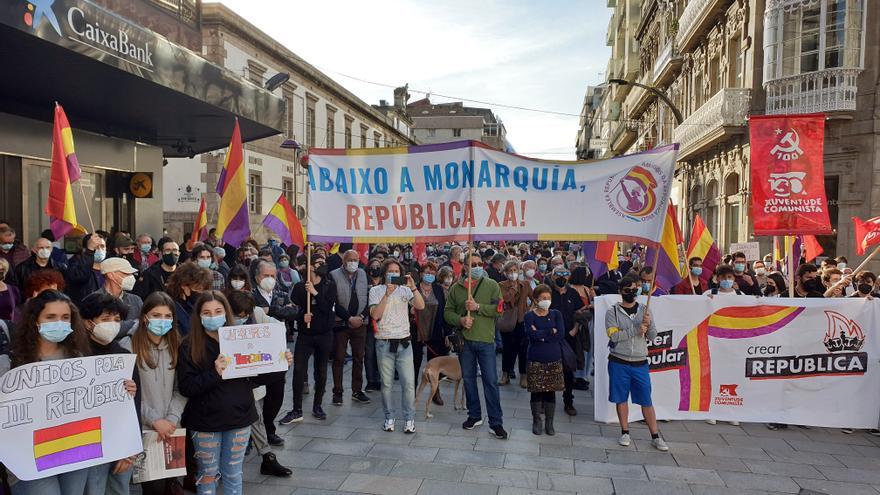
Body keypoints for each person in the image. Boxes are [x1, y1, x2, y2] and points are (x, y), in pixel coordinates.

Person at [177, 291, 291, 495]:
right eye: (207, 312)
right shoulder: (189, 345)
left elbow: (257, 379)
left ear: (226, 313)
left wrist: (280, 363)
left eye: (218, 311)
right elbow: (187, 387)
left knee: (233, 474)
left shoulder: (238, 339)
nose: (213, 316)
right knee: (208, 475)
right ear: (199, 316)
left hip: (239, 418)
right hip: (205, 423)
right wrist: (215, 372)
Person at [3, 291, 100, 493]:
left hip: (74, 450)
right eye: (50, 317)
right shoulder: (9, 363)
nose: (59, 322)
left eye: (65, 318)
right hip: (29, 458)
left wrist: (122, 391)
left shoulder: (79, 360)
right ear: (35, 321)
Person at [126, 292, 190, 494]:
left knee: (171, 486)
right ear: (145, 316)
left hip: (172, 429)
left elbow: (181, 388)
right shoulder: (128, 347)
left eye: (167, 316)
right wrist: (154, 420)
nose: (162, 321)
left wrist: (171, 418)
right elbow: (128, 394)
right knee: (153, 487)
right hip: (145, 430)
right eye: (156, 315)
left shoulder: (176, 345)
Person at [225, 291, 293, 476]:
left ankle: (267, 456)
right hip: (222, 380)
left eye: (246, 316)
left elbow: (276, 331)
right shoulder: (218, 319)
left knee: (256, 415)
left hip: (247, 378)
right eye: (238, 316)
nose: (243, 319)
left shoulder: (256, 314)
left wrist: (281, 354)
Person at [79, 292, 140, 495]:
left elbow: (134, 406)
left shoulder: (124, 357)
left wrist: (131, 448)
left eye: (117, 320)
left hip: (120, 442)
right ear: (88, 323)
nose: (112, 324)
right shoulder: (75, 358)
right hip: (88, 446)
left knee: (119, 489)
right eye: (105, 320)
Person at [444, 252, 508, 439]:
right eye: (473, 264)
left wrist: (478, 307)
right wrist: (461, 319)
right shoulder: (456, 288)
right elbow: (447, 313)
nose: (478, 266)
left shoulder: (492, 285)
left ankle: (496, 422)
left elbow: (500, 310)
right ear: (465, 267)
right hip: (465, 342)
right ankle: (474, 415)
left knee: (490, 382)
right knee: (469, 379)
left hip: (486, 341)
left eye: (480, 263)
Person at [605, 274, 669, 451]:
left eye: (635, 289)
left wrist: (648, 326)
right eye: (628, 290)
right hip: (619, 361)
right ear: (621, 292)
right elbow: (614, 336)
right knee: (621, 398)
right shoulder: (612, 312)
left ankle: (655, 436)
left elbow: (653, 336)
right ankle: (625, 431)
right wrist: (635, 329)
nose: (632, 292)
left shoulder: (645, 310)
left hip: (640, 362)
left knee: (646, 400)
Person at [280, 258, 342, 424]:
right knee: (299, 370)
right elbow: (293, 310)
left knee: (321, 370)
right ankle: (296, 409)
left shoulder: (329, 285)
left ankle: (317, 405)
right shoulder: (300, 287)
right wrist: (302, 316)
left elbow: (328, 307)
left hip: (324, 334)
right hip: (305, 335)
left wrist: (314, 292)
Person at [369, 258, 425, 433]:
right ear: (384, 273)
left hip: (404, 342)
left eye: (396, 271)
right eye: (390, 271)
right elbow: (375, 315)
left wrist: (413, 287)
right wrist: (387, 293)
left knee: (408, 383)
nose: (393, 274)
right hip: (384, 342)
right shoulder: (376, 290)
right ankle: (389, 417)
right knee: (386, 384)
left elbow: (420, 305)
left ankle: (409, 418)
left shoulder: (405, 290)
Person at [250, 260, 296, 444]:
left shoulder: (281, 293)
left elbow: (293, 312)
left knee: (277, 392)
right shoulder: (250, 296)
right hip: (256, 349)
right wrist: (278, 311)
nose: (269, 279)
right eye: (265, 276)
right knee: (256, 392)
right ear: (256, 277)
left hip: (278, 350)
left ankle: (269, 428)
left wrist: (274, 310)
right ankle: (255, 432)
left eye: (272, 276)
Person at [330, 250, 371, 406]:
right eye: (350, 260)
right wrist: (349, 318)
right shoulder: (333, 275)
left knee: (358, 358)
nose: (353, 262)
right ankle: (338, 392)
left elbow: (369, 298)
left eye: (356, 259)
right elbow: (333, 302)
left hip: (361, 323)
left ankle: (357, 390)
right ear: (344, 260)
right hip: (341, 323)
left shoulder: (363, 274)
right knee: (339, 358)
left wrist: (360, 317)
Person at [524, 285, 566, 435]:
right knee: (536, 391)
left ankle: (550, 422)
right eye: (543, 298)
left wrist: (541, 334)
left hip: (553, 357)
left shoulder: (556, 314)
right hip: (535, 358)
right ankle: (536, 421)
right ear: (536, 300)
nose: (546, 301)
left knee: (550, 391)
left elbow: (560, 334)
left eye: (548, 298)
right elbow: (531, 335)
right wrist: (550, 331)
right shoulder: (529, 316)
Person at [411, 261, 450, 404]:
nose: (430, 276)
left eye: (433, 273)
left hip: (435, 330)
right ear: (421, 274)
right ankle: (412, 392)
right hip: (416, 330)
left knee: (435, 364)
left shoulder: (439, 290)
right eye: (427, 273)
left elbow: (445, 311)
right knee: (414, 363)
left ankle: (435, 392)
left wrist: (447, 333)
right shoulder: (413, 288)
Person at [548, 266, 583, 416]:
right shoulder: (547, 292)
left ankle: (568, 401)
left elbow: (580, 313)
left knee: (568, 371)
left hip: (569, 337)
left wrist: (575, 329)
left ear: (569, 277)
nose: (561, 277)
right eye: (558, 274)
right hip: (550, 337)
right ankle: (546, 401)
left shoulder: (573, 293)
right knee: (548, 370)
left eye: (564, 274)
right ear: (553, 276)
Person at [499, 261, 531, 388]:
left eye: (515, 270)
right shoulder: (501, 285)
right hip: (507, 320)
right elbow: (505, 298)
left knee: (523, 349)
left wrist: (531, 308)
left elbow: (534, 297)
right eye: (510, 271)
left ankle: (523, 375)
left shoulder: (525, 284)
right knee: (507, 349)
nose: (513, 273)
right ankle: (505, 374)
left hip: (522, 320)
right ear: (506, 273)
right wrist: (512, 287)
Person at [95, 257, 143, 336]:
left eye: (131, 274)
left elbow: (144, 326)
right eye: (126, 273)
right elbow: (103, 332)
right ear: (111, 275)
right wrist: (134, 324)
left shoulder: (136, 300)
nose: (131, 277)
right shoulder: (95, 299)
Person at [166, 262, 213, 336]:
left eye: (204, 290)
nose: (202, 293)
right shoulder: (170, 307)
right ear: (184, 286)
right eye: (198, 289)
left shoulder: (199, 304)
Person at [569, 266, 594, 391]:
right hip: (577, 324)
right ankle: (576, 375)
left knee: (587, 349)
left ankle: (584, 375)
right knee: (578, 350)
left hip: (588, 323)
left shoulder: (587, 289)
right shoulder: (571, 289)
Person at [65, 233, 107, 306]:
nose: (100, 250)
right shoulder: (76, 267)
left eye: (102, 246)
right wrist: (90, 251)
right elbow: (80, 276)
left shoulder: (110, 268)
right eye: (96, 247)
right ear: (85, 249)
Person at [363, 257, 384, 392]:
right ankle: (371, 380)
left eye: (378, 266)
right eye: (373, 266)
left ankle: (381, 379)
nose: (375, 268)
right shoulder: (364, 281)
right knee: (369, 353)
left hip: (384, 323)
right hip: (369, 323)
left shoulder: (386, 282)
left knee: (382, 353)